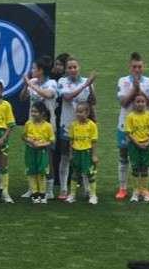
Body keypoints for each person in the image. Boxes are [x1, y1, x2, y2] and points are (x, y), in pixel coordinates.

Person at [117, 53, 149, 200]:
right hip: (124, 124)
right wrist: (134, 89)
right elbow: (123, 103)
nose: (137, 69)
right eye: (134, 67)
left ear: (143, 66)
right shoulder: (123, 81)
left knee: (145, 157)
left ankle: (143, 188)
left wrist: (141, 91)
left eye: (140, 66)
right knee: (123, 155)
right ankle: (122, 188)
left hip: (144, 127)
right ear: (130, 67)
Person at [56, 57, 96, 199]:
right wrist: (86, 85)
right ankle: (63, 189)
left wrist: (90, 86)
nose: (73, 70)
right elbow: (67, 97)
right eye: (70, 67)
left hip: (84, 128)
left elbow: (93, 102)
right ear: (66, 70)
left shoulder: (87, 81)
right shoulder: (62, 82)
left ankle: (86, 189)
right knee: (66, 157)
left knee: (85, 158)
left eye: (75, 67)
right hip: (67, 126)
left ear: (79, 68)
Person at [20, 58, 59, 198]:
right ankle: (33, 188)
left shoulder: (52, 83)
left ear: (41, 70)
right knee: (32, 158)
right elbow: (22, 98)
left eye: (34, 68)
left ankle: (48, 190)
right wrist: (26, 86)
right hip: (32, 126)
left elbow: (47, 95)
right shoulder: (33, 82)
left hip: (47, 127)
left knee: (47, 159)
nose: (32, 71)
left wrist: (30, 83)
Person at [125, 92, 149, 202]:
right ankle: (135, 192)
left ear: (146, 103)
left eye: (142, 101)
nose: (140, 104)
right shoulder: (130, 116)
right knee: (135, 168)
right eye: (137, 101)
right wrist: (137, 144)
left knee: (144, 168)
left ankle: (144, 191)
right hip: (134, 146)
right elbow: (128, 133)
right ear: (133, 103)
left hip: (146, 145)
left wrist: (148, 142)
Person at [67, 100, 99, 204]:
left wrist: (94, 155)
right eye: (77, 112)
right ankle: (72, 195)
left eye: (81, 112)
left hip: (87, 153)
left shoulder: (92, 125)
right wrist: (71, 154)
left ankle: (93, 195)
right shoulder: (73, 125)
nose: (78, 114)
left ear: (87, 113)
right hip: (76, 153)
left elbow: (94, 142)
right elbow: (71, 141)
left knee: (90, 174)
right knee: (75, 174)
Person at [23, 101, 54, 204]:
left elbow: (52, 140)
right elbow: (23, 136)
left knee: (41, 172)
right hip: (30, 151)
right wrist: (30, 141)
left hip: (42, 152)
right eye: (32, 111)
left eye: (35, 112)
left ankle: (42, 194)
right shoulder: (28, 124)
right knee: (31, 172)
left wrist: (41, 144)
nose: (33, 114)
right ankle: (34, 194)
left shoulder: (48, 126)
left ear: (42, 113)